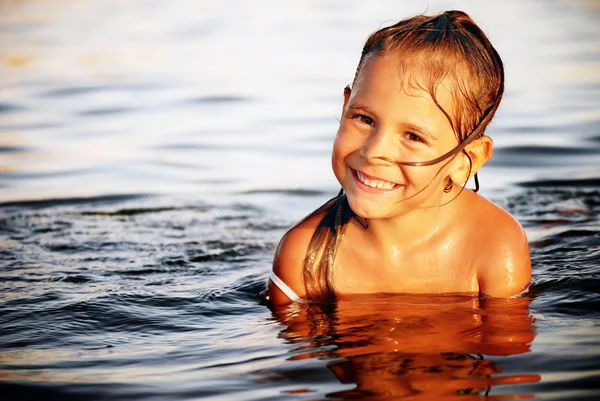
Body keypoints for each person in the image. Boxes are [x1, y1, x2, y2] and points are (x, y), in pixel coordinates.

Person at [267, 10, 531, 305]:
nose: (374, 150)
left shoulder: (495, 247)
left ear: (464, 161)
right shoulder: (305, 260)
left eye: (413, 136)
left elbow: (507, 346)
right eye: (364, 119)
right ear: (344, 108)